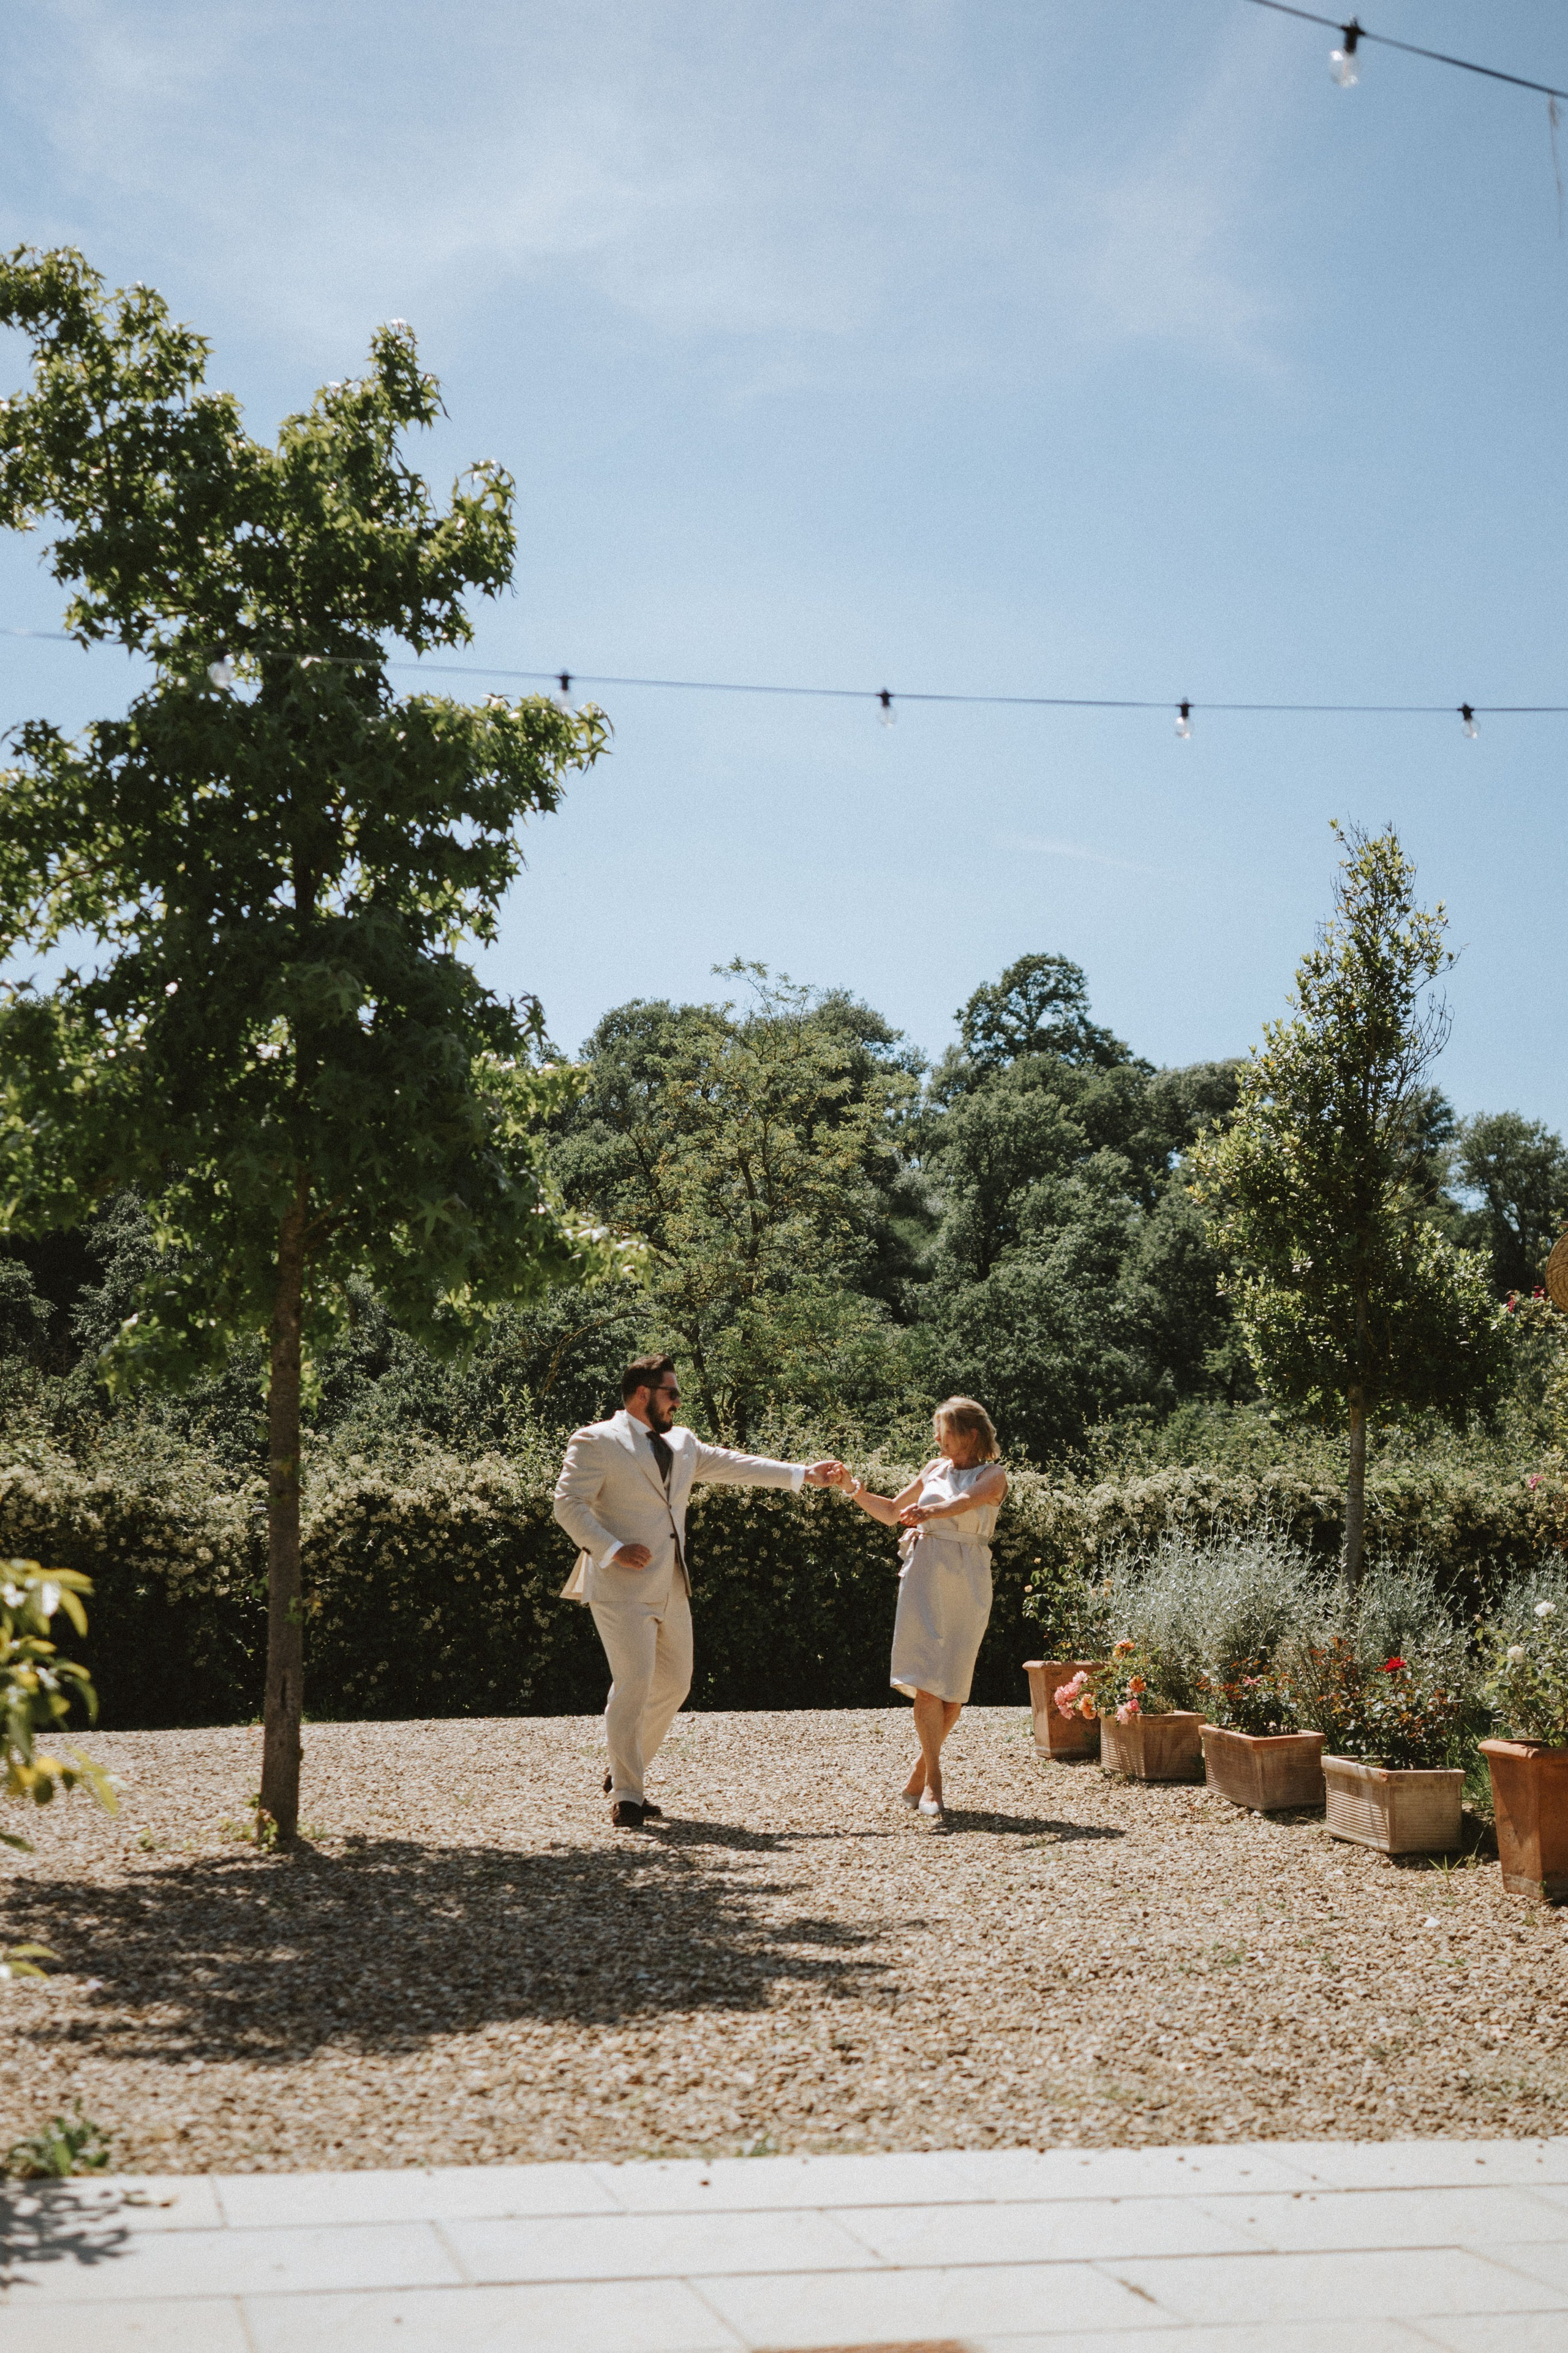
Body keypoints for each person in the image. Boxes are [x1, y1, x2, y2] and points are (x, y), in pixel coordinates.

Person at [554, 1354, 842, 1827]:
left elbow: (734, 1464)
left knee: (675, 1681)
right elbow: (567, 1504)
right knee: (634, 1683)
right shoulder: (596, 1440)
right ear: (643, 1393)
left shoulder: (683, 1442)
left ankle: (626, 1765)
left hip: (673, 1582)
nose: (679, 1400)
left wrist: (803, 1474)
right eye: (671, 1391)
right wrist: (611, 1549)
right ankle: (628, 1795)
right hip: (619, 1585)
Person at [833, 1397, 1006, 1824]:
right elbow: (893, 1512)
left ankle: (919, 1769)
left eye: (942, 1429)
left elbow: (966, 1503)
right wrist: (852, 1487)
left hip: (968, 1578)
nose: (935, 1438)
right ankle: (935, 1781)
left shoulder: (993, 1475)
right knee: (928, 1681)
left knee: (953, 1685)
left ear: (968, 1434)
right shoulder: (932, 1469)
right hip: (925, 1573)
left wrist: (930, 1510)